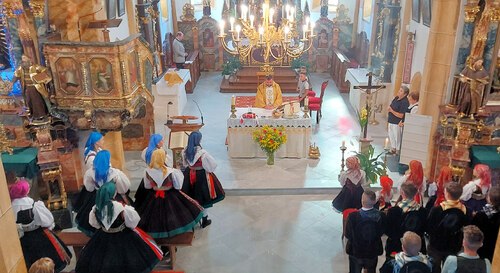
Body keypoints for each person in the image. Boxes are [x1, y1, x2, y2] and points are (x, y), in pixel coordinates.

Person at [75, 183, 163, 273]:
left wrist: (106, 226)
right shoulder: (121, 207)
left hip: (103, 236)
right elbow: (133, 222)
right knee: (128, 259)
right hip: (123, 236)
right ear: (113, 194)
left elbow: (94, 224)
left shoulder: (96, 208)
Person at [137, 149, 203, 238]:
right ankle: (173, 236)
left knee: (154, 218)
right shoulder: (171, 171)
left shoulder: (147, 171)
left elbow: (147, 186)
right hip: (170, 196)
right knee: (174, 217)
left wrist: (157, 186)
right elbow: (178, 186)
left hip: (154, 196)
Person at [9, 180, 71, 272]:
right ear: (26, 191)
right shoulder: (34, 205)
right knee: (47, 259)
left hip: (22, 239)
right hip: (39, 236)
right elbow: (48, 221)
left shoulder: (10, 208)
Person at [74, 150, 131, 236]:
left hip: (97, 197)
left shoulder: (90, 173)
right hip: (113, 197)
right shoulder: (115, 173)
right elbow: (123, 189)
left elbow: (89, 188)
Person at [182, 131, 225, 228]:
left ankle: (193, 218)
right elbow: (212, 166)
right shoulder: (203, 153)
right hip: (201, 176)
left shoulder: (185, 151)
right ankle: (204, 220)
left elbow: (185, 164)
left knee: (191, 196)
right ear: (198, 140)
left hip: (189, 175)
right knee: (203, 199)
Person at [427, 182, 470, 273]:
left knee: (434, 267)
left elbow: (429, 228)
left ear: (446, 193)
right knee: (450, 268)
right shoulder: (466, 211)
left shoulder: (436, 210)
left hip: (436, 245)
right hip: (454, 245)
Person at [345, 190, 385, 273]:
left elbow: (347, 234)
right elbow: (381, 232)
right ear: (374, 201)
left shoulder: (353, 217)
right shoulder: (381, 216)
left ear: (361, 201)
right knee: (371, 270)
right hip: (372, 250)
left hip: (356, 251)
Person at [385, 183, 427, 259]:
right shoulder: (423, 211)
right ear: (415, 193)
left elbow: (388, 231)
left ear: (402, 193)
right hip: (417, 246)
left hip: (396, 247)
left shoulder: (393, 211)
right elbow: (425, 229)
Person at [135, 134, 173, 209]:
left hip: (150, 175)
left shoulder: (146, 150)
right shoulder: (160, 153)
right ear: (157, 143)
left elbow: (144, 159)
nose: (163, 142)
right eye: (161, 140)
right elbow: (169, 164)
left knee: (147, 198)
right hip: (162, 175)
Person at [12, 55, 52, 120]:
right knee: (29, 102)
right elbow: (16, 75)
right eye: (23, 61)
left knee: (37, 101)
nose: (23, 63)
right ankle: (33, 115)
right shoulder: (21, 69)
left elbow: (47, 73)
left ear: (29, 60)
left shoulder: (36, 67)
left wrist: (37, 79)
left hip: (36, 88)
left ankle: (41, 115)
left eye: (25, 61)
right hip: (27, 88)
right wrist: (11, 83)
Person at [471, 186, 500, 261]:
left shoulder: (481, 215)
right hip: (494, 248)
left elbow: (473, 230)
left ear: (489, 199)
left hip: (480, 247)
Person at [387, 86, 410, 154]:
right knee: (391, 135)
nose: (399, 92)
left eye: (401, 91)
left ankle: (397, 151)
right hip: (391, 120)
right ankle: (393, 148)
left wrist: (391, 111)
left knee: (397, 137)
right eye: (399, 90)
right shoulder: (396, 98)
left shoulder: (404, 102)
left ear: (405, 94)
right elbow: (391, 106)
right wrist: (389, 109)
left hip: (397, 122)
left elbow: (401, 115)